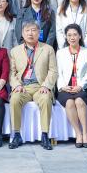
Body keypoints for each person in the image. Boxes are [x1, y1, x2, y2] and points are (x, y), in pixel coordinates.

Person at [8, 21, 58, 150]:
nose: (30, 33)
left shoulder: (48, 49)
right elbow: (11, 73)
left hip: (40, 86)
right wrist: (16, 85)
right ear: (22, 33)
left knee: (46, 99)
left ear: (39, 33)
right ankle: (17, 135)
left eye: (33, 30)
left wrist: (46, 86)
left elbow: (53, 71)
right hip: (23, 87)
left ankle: (45, 135)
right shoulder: (15, 51)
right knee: (14, 99)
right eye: (27, 30)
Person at [56, 23, 87, 148]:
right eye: (69, 35)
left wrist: (81, 86)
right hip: (65, 88)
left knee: (79, 101)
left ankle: (86, 133)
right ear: (66, 37)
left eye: (75, 35)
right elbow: (58, 72)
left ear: (80, 36)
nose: (72, 37)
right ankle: (78, 133)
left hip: (81, 87)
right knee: (70, 103)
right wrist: (62, 86)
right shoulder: (60, 53)